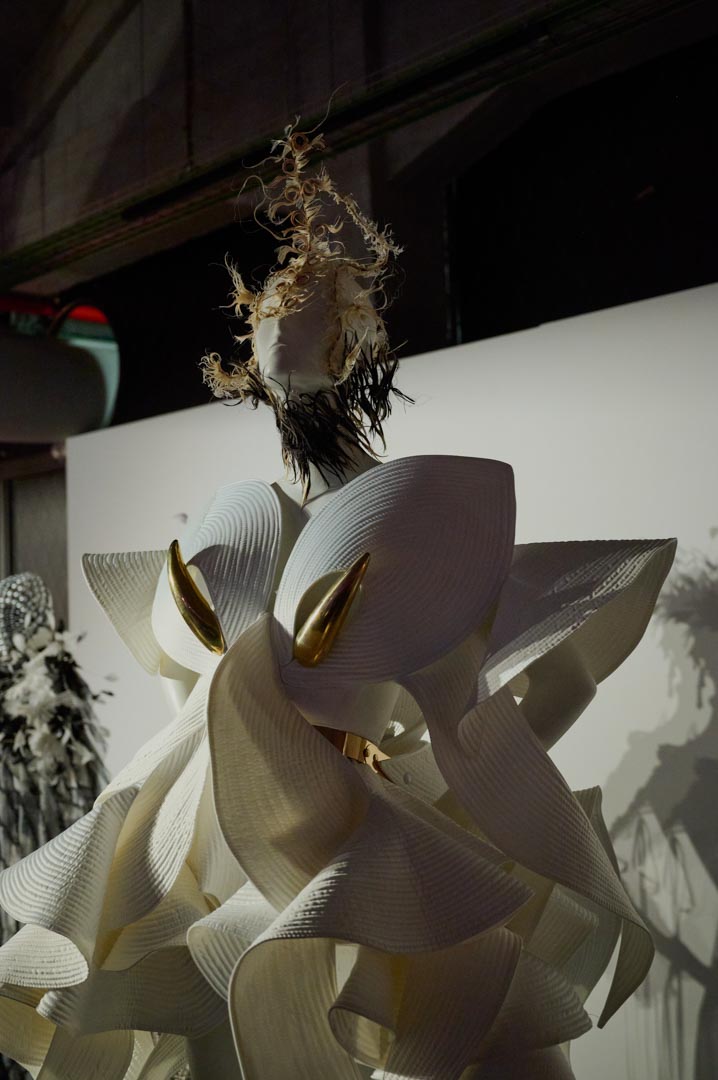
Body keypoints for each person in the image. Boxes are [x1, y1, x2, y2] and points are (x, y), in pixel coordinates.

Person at [0, 124, 675, 1080]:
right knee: (227, 1022)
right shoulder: (252, 519)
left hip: (353, 819)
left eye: (307, 307)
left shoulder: (413, 523)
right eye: (270, 309)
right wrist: (205, 760)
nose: (281, 327)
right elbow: (183, 670)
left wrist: (462, 772)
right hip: (219, 823)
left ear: (347, 338)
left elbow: (561, 678)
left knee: (442, 1024)